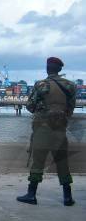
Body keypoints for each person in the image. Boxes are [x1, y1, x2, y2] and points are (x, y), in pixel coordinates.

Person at [17, 57, 77, 206]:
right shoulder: (70, 86)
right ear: (60, 69)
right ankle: (67, 197)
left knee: (38, 161)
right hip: (60, 129)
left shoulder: (41, 84)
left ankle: (31, 195)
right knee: (62, 161)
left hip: (42, 128)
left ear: (47, 68)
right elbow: (71, 108)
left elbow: (30, 106)